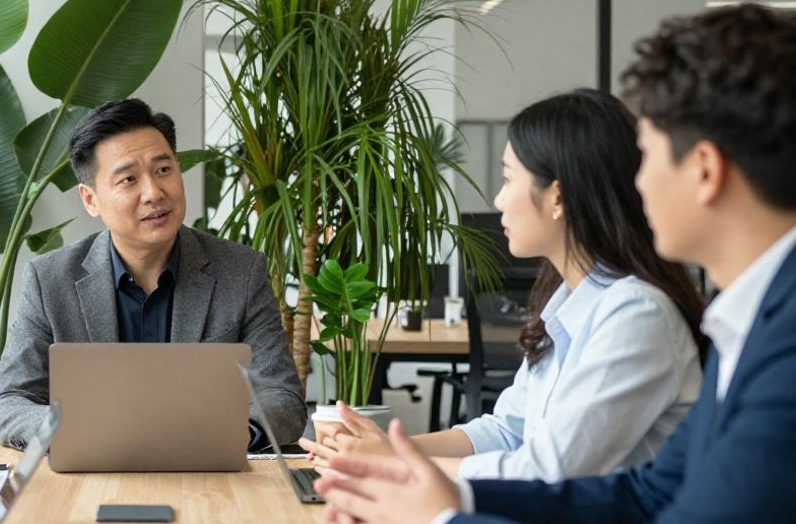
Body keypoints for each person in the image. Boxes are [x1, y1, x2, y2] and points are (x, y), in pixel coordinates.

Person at [315, 4, 796, 524]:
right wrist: (454, 502)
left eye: (647, 156)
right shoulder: (779, 308)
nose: (636, 182)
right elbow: (648, 495)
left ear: (705, 171)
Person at [301, 89, 706, 482]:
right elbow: (504, 432)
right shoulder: (567, 306)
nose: (497, 201)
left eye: (508, 179)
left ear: (557, 197)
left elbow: (548, 473)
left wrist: (395, 464)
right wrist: (391, 449)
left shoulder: (636, 315)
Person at [0, 98, 306, 449]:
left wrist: (226, 431)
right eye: (128, 179)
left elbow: (282, 398)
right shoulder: (50, 281)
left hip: (206, 479)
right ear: (90, 200)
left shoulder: (241, 272)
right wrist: (76, 428)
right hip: (91, 479)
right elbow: (6, 405)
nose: (154, 193)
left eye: (163, 170)